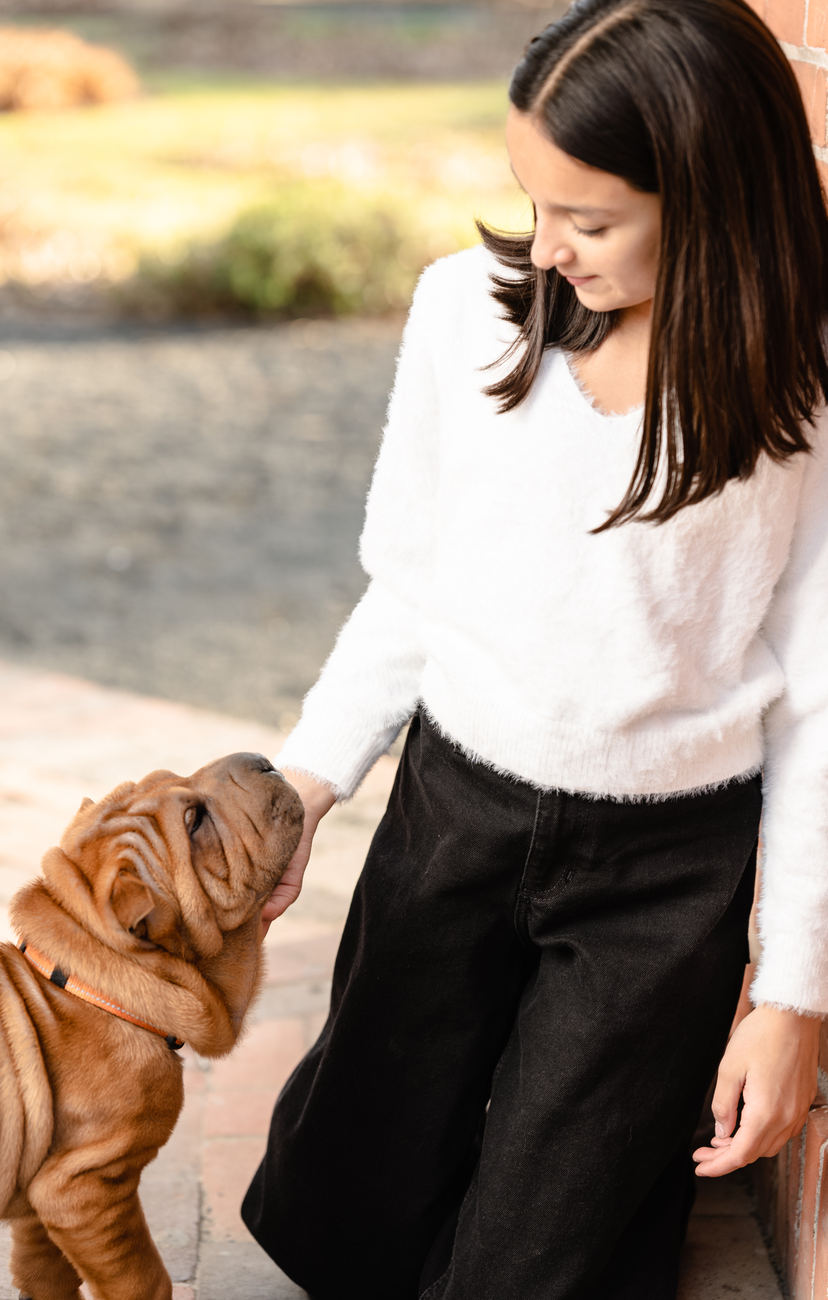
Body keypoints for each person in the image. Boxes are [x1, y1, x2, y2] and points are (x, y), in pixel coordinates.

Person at [242, 1, 828, 1296]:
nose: (548, 247)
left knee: (539, 1266)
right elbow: (410, 584)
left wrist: (792, 997)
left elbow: (820, 705)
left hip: (666, 873)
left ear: (713, 202)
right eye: (533, 201)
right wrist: (308, 783)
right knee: (341, 1218)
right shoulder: (464, 312)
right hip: (455, 812)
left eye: (591, 219)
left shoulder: (805, 383)